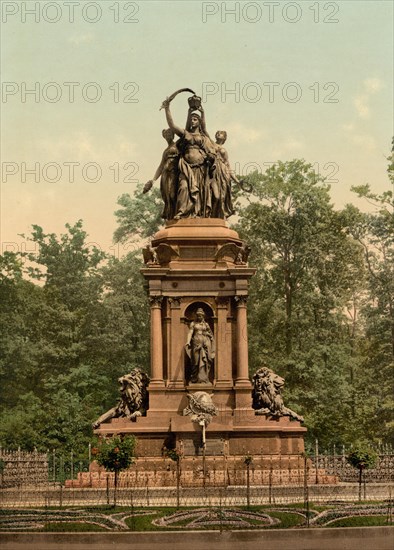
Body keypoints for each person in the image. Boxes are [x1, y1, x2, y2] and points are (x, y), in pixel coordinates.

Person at [163, 97, 216, 219]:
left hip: (200, 169)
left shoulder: (204, 138)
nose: (192, 121)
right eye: (191, 119)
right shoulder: (185, 134)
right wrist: (167, 108)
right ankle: (182, 211)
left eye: (195, 119)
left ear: (199, 122)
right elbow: (171, 124)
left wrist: (210, 157)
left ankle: (197, 214)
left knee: (200, 193)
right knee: (184, 187)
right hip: (186, 168)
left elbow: (212, 152)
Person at [143, 128, 179, 220]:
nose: (168, 136)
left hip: (174, 173)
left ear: (173, 135)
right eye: (166, 135)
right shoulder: (165, 151)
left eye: (170, 134)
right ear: (164, 137)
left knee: (172, 194)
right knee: (167, 196)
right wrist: (153, 180)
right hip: (165, 175)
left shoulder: (178, 145)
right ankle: (170, 217)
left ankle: (177, 215)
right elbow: (161, 166)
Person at [211, 130, 239, 219]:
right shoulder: (210, 144)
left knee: (222, 197)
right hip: (213, 172)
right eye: (218, 133)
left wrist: (237, 181)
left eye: (221, 133)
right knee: (215, 196)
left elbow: (228, 166)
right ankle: (211, 216)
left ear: (224, 138)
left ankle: (220, 217)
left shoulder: (224, 151)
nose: (219, 134)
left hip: (223, 173)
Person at [185, 308, 215, 384]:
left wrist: (208, 336)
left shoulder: (206, 324)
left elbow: (211, 334)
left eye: (201, 316)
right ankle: (195, 378)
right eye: (198, 316)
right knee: (195, 361)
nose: (199, 317)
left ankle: (204, 378)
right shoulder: (193, 324)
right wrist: (188, 342)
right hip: (196, 343)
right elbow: (190, 333)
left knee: (205, 361)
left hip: (205, 344)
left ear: (203, 316)